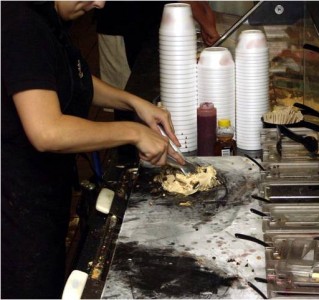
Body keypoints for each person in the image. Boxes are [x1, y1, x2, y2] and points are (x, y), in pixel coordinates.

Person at [1, 1, 185, 298]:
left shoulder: (47, 15)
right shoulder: (20, 24)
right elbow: (47, 131)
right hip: (14, 209)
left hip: (43, 193)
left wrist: (132, 102)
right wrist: (132, 131)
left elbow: (70, 77)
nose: (100, 3)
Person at [96, 1, 220, 163]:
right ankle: (125, 165)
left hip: (151, 19)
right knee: (125, 95)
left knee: (137, 101)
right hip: (121, 21)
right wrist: (205, 22)